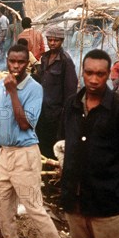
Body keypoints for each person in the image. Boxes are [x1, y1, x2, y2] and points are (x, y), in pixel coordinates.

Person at [58, 49, 119, 238]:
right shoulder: (72, 105)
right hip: (74, 203)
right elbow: (67, 145)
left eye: (100, 74)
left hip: (106, 205)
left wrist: (111, 164)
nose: (93, 79)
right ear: (82, 72)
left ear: (109, 74)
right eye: (89, 73)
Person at [0, 44, 67, 238]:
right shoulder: (3, 85)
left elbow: (24, 124)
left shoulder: (34, 89)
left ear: (27, 64)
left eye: (21, 62)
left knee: (33, 206)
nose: (16, 66)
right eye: (12, 61)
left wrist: (13, 93)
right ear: (7, 60)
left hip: (25, 154)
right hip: (4, 153)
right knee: (3, 206)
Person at [37, 26, 78, 158]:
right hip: (42, 109)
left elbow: (70, 90)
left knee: (54, 143)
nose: (53, 43)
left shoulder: (66, 61)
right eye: (50, 40)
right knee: (41, 141)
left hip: (56, 112)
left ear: (62, 41)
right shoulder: (44, 58)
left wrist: (65, 112)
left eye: (56, 40)